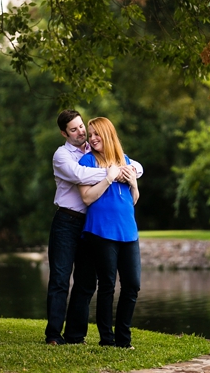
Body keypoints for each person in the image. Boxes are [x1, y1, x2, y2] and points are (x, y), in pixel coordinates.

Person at [46, 110, 143, 345]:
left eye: (82, 127)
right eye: (74, 129)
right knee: (60, 278)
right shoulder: (63, 156)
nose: (81, 133)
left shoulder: (92, 150)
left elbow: (136, 166)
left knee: (86, 281)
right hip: (67, 221)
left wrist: (126, 171)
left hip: (90, 223)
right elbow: (80, 175)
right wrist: (114, 173)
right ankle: (53, 335)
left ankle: (75, 335)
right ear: (64, 133)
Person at [78, 117, 141, 348]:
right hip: (101, 231)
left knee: (132, 285)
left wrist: (133, 183)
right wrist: (108, 178)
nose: (92, 139)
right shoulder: (87, 161)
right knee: (107, 286)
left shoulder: (124, 160)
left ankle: (124, 339)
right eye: (91, 134)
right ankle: (107, 339)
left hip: (128, 231)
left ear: (108, 134)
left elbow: (133, 200)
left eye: (97, 134)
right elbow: (86, 197)